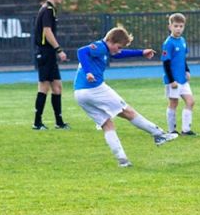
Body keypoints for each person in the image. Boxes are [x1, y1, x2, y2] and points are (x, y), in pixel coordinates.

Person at [74, 26, 178, 167]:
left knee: (107, 124)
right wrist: (88, 72)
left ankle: (122, 160)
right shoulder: (99, 46)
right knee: (128, 111)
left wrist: (141, 52)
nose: (119, 49)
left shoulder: (105, 49)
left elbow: (119, 54)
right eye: (118, 46)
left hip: (80, 94)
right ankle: (159, 134)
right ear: (110, 40)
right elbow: (81, 51)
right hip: (94, 89)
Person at [32, 0, 70, 130]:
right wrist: (59, 49)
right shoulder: (47, 9)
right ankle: (37, 122)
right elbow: (47, 32)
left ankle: (59, 122)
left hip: (49, 53)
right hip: (45, 53)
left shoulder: (51, 10)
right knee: (44, 87)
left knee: (57, 87)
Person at [162, 12, 196, 136]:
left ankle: (186, 130)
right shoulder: (168, 43)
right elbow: (166, 63)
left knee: (190, 101)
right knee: (173, 103)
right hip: (173, 80)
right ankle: (171, 130)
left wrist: (187, 70)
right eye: (176, 26)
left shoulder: (182, 40)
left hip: (183, 79)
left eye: (181, 26)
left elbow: (182, 58)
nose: (178, 29)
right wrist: (171, 80)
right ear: (170, 26)